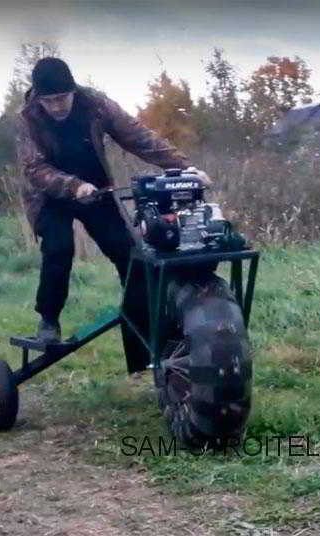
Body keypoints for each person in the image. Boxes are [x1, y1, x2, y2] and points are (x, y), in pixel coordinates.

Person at [16, 57, 210, 371]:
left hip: (97, 191)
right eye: (48, 101)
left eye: (62, 98)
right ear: (38, 98)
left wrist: (184, 168)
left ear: (73, 91)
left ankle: (142, 349)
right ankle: (49, 320)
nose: (56, 107)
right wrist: (73, 186)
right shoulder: (28, 118)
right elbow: (35, 168)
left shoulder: (96, 105)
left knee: (131, 257)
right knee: (59, 249)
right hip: (50, 196)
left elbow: (139, 137)